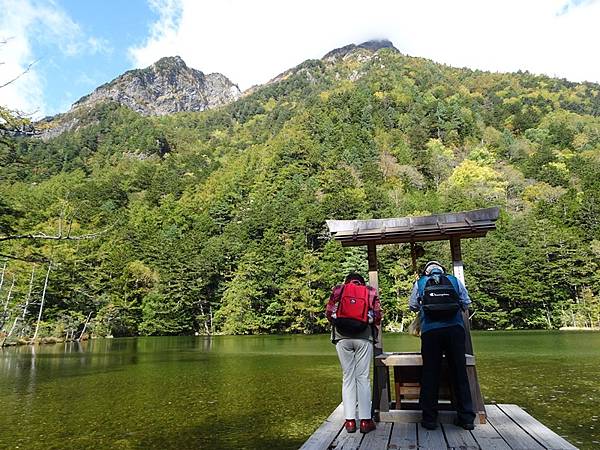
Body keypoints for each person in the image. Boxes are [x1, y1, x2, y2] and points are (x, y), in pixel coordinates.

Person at [409, 261, 476, 430]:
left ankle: (429, 419)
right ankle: (466, 418)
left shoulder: (421, 282)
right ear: (442, 270)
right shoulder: (454, 281)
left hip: (431, 332)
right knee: (459, 372)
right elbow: (466, 302)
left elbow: (413, 306)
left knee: (430, 373)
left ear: (426, 271)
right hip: (455, 330)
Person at [326, 272, 382, 434]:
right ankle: (365, 421)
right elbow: (378, 315)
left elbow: (329, 313)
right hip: (364, 337)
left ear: (347, 282)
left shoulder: (338, 290)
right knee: (362, 377)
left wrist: (342, 321)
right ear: (361, 282)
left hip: (342, 338)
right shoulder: (370, 291)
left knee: (348, 377)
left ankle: (350, 421)